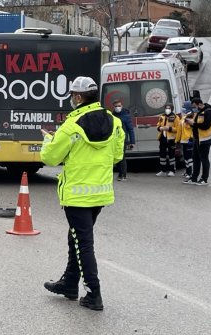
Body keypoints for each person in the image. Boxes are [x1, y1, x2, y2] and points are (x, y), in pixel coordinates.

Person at [40, 76, 124, 311]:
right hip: (99, 193)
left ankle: (93, 293)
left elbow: (50, 158)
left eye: (71, 96)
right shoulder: (114, 122)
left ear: (78, 97)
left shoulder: (72, 125)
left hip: (77, 194)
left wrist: (48, 140)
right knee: (76, 238)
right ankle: (69, 283)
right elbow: (118, 156)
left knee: (83, 243)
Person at [183, 97, 211, 185]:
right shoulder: (199, 112)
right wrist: (189, 122)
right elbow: (196, 125)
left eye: (194, 106)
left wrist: (193, 123)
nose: (194, 108)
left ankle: (204, 179)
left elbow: (206, 125)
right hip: (197, 139)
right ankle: (194, 178)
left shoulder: (209, 112)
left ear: (199, 104)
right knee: (196, 158)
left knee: (204, 159)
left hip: (206, 139)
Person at [112, 99, 135, 181]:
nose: (118, 107)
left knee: (122, 157)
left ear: (122, 106)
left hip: (123, 139)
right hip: (114, 140)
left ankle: (123, 175)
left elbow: (130, 129)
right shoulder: (112, 115)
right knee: (117, 157)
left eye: (119, 106)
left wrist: (132, 142)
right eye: (116, 106)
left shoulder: (126, 115)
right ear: (113, 107)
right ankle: (120, 174)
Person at [155, 103, 180, 177]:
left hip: (171, 139)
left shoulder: (175, 117)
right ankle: (163, 170)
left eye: (169, 108)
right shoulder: (162, 116)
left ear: (171, 109)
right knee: (162, 154)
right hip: (162, 138)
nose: (167, 109)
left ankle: (172, 170)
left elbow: (178, 129)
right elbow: (158, 125)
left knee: (171, 155)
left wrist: (169, 128)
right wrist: (160, 128)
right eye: (166, 108)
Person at [176, 101, 194, 179]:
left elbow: (193, 129)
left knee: (189, 157)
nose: (182, 108)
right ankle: (187, 171)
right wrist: (177, 140)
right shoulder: (184, 117)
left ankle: (190, 172)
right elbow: (179, 130)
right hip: (183, 140)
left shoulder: (192, 116)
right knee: (186, 157)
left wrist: (191, 138)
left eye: (184, 106)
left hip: (189, 140)